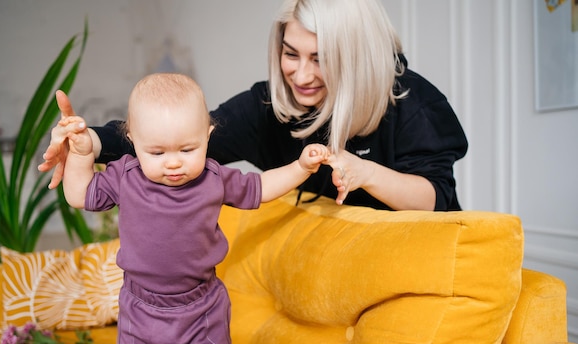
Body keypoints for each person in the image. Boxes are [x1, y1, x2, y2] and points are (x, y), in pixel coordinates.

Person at [41, 0, 468, 211]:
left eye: (321, 59)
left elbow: (439, 200)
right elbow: (177, 138)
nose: (300, 76)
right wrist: (90, 141)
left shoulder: (413, 103)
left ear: (356, 56)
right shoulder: (267, 106)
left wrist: (366, 173)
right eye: (291, 54)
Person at [59, 72, 329, 344]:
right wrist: (81, 154)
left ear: (208, 135)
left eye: (188, 149)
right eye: (157, 153)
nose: (173, 163)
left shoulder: (215, 177)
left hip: (203, 309)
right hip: (141, 312)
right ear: (132, 139)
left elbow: (262, 188)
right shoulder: (125, 176)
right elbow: (78, 194)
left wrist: (301, 167)